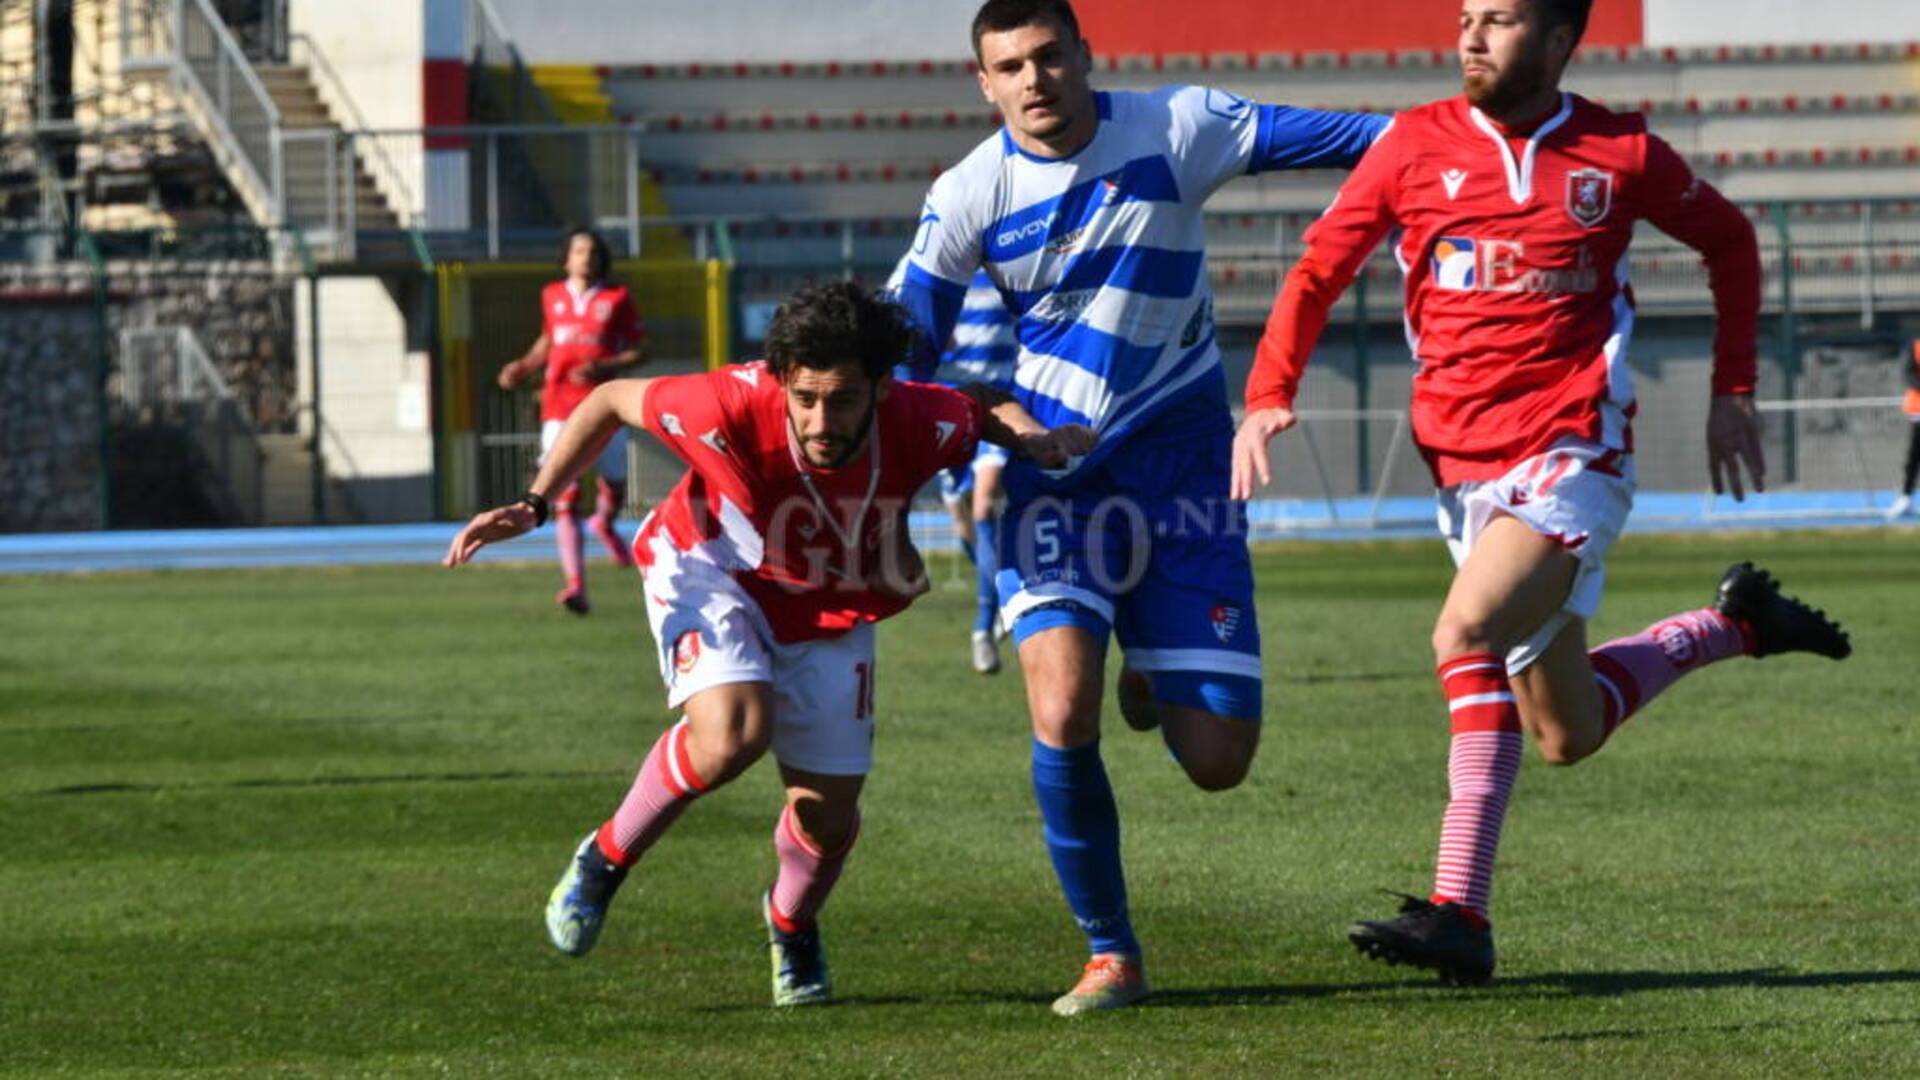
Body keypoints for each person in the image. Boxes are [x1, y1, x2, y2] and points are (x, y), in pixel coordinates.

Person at [1232, 0, 1852, 987]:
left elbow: (1731, 239)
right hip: (1462, 467)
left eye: (1502, 18)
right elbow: (1317, 271)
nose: (1472, 35)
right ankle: (1735, 627)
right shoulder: (1409, 147)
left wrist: (1733, 390)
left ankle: (1459, 910)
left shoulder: (1622, 152)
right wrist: (1267, 396)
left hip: (1575, 451)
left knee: (1462, 635)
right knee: (1565, 732)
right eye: (1467, 15)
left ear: (1560, 40)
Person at [891, 0, 1389, 1015]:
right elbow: (906, 352)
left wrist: (1464, 159)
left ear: (1083, 56)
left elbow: (1363, 140)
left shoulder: (1178, 127)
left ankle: (1156, 682)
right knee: (1062, 706)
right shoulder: (966, 195)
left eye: (1048, 57)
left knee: (1218, 765)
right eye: (1009, 68)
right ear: (983, 85)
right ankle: (1112, 953)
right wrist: (985, 419)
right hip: (1055, 483)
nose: (1034, 81)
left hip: (1186, 474)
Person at [445, 282, 1092, 1007]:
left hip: (829, 601)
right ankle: (604, 858)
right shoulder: (722, 403)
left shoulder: (920, 418)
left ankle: (791, 925)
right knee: (732, 734)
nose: (820, 419)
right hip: (709, 567)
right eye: (805, 396)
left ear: (882, 389)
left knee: (828, 815)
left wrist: (1033, 436)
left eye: (842, 399)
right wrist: (536, 503)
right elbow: (607, 400)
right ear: (782, 379)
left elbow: (981, 403)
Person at [497, 227, 650, 615]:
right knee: (564, 496)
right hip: (559, 408)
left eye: (593, 251)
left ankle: (604, 522)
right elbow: (548, 342)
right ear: (566, 258)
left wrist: (604, 365)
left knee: (614, 487)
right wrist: (524, 365)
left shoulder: (618, 298)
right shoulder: (552, 295)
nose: (586, 257)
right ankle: (576, 585)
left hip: (605, 406)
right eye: (579, 250)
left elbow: (640, 351)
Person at [889, 260, 1019, 673]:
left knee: (983, 507)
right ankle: (1003, 593)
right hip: (950, 408)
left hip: (999, 406)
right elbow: (896, 309)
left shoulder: (1011, 268)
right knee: (962, 522)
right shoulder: (934, 268)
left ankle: (984, 628)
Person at [1888, 339, 1920, 519]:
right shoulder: (1915, 346)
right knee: (1914, 456)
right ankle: (1906, 498)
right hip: (1919, 411)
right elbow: (1909, 374)